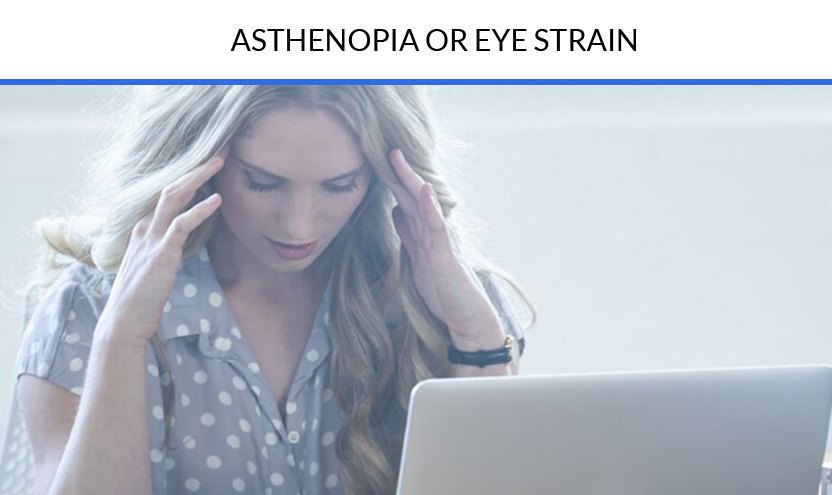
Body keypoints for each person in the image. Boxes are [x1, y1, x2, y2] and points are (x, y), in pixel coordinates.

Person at [12, 85, 537, 495]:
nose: (298, 227)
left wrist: (472, 331)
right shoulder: (89, 309)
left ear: (381, 176)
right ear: (194, 164)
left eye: (339, 185)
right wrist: (122, 339)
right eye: (263, 183)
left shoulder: (439, 297)